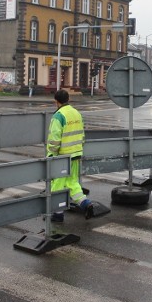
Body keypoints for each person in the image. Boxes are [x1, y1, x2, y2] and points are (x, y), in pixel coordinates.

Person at [47, 89, 95, 221]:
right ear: (68, 99)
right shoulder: (76, 113)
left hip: (62, 157)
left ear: (56, 101)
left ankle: (57, 214)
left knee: (57, 185)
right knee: (72, 182)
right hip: (76, 154)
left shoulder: (58, 116)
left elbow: (54, 140)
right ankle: (85, 203)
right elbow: (82, 135)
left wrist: (52, 155)